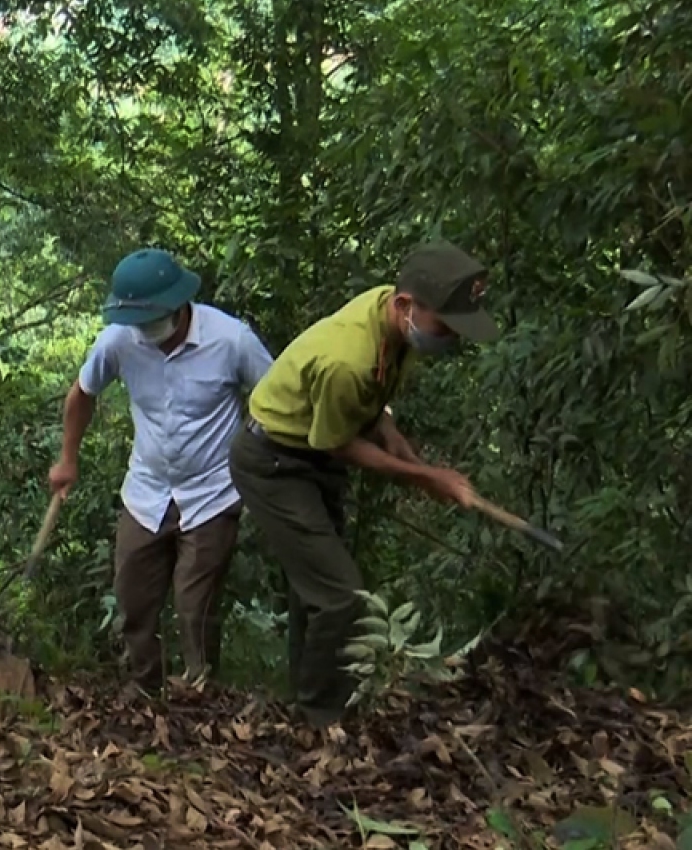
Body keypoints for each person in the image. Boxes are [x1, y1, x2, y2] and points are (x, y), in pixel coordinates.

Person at [228, 241, 497, 727]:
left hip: (310, 454)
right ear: (405, 306)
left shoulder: (388, 316)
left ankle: (306, 702)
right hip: (274, 462)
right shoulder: (345, 360)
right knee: (342, 594)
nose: (451, 338)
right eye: (446, 325)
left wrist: (399, 443)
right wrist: (426, 476)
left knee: (316, 589)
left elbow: (372, 403)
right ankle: (318, 719)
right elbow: (338, 443)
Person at [50, 248, 274, 690]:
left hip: (212, 492)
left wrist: (257, 455)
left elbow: (276, 399)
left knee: (195, 607)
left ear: (178, 304)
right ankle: (145, 690)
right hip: (147, 490)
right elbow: (81, 394)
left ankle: (200, 695)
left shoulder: (231, 340)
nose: (144, 330)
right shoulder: (118, 340)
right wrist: (68, 458)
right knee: (133, 597)